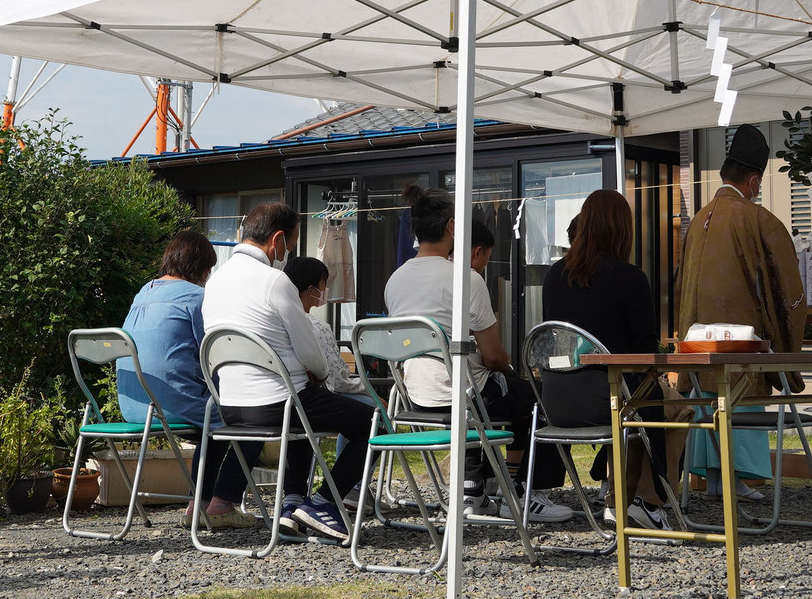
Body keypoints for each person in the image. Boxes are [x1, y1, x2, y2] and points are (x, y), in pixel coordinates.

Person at [382, 187, 572, 525]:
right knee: (535, 399)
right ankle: (530, 491)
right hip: (465, 400)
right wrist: (511, 368)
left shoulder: (395, 280)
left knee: (491, 390)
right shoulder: (466, 279)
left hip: (416, 400)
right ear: (453, 227)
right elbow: (494, 356)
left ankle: (474, 488)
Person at [203, 201, 376, 543]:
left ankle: (293, 501)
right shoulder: (275, 281)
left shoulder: (215, 282)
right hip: (279, 404)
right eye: (292, 245)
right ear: (278, 241)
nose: (288, 254)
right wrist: (315, 372)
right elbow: (313, 355)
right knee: (369, 421)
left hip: (231, 407)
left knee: (306, 406)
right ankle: (323, 504)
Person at [538, 188, 691, 529]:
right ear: (622, 229)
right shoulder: (629, 278)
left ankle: (617, 498)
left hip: (556, 400)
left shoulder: (553, 277)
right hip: (610, 399)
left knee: (633, 401)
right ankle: (647, 501)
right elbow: (645, 349)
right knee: (673, 406)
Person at [676, 124, 806, 501]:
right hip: (740, 350)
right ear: (752, 180)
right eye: (759, 184)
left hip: (699, 352)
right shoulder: (756, 219)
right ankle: (736, 477)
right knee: (743, 394)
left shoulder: (698, 221)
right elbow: (788, 293)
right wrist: (790, 339)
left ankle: (717, 477)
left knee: (710, 400)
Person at [116, 231, 253, 529]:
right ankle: (220, 503)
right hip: (172, 408)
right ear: (203, 268)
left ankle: (198, 503)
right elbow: (214, 354)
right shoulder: (197, 298)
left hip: (134, 405)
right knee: (248, 419)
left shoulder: (143, 293)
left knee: (214, 414)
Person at [280, 256, 368, 398]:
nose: (326, 289)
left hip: (284, 395)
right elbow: (339, 380)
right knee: (375, 408)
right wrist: (370, 390)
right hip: (318, 397)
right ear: (311, 290)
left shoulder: (278, 321)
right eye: (324, 283)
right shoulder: (319, 327)